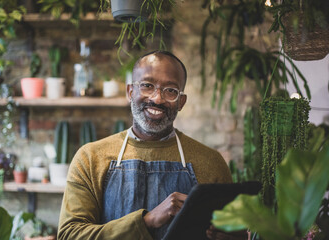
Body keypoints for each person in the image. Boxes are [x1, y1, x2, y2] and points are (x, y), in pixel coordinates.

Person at [58, 51, 234, 240]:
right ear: (130, 92)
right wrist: (147, 221)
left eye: (171, 90)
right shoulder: (90, 158)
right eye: (147, 86)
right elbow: (70, 235)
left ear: (181, 102)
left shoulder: (210, 162)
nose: (157, 99)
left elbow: (233, 229)